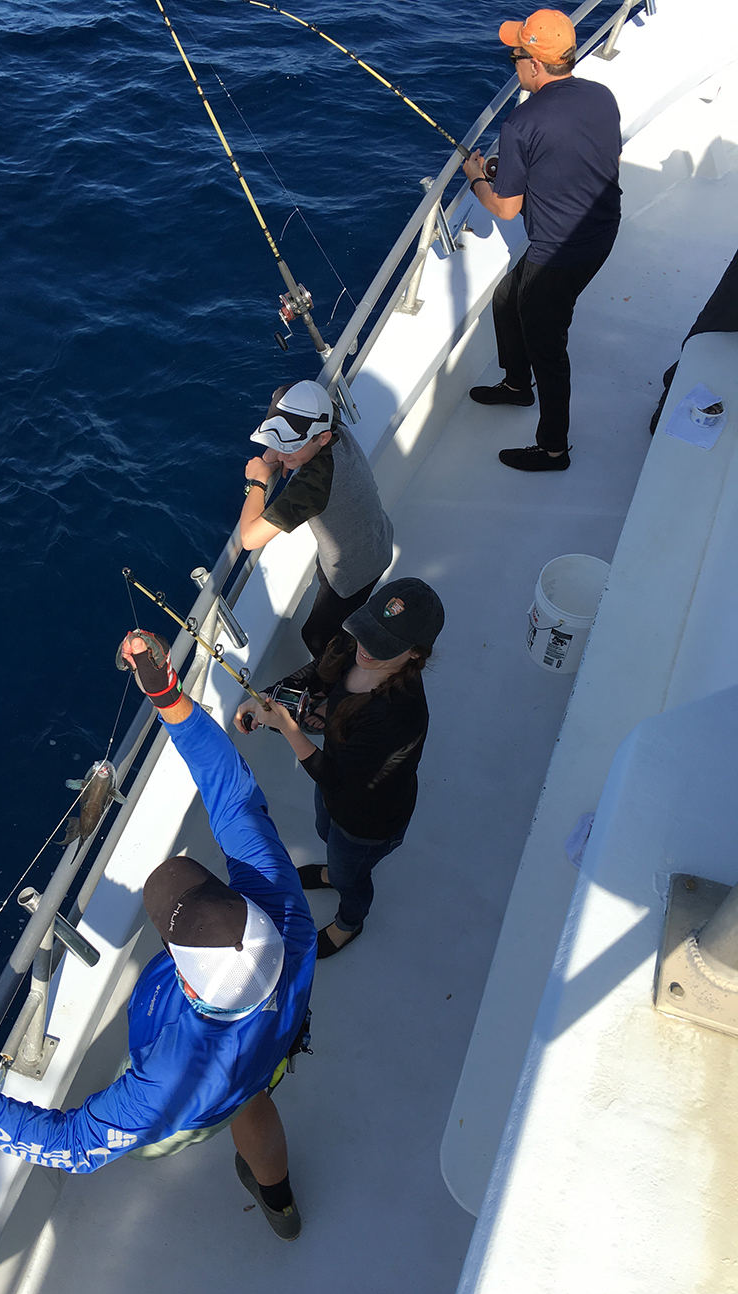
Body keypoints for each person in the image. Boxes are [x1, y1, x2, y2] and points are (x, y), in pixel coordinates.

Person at [0, 630, 316, 1241]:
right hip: (270, 1041)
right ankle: (279, 1203)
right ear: (251, 918)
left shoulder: (166, 1082)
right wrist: (169, 697)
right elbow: (234, 798)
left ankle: (272, 1193)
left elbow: (69, 1145)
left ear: (190, 986)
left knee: (227, 1107)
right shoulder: (289, 918)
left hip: (206, 1092)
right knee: (255, 1099)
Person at [234, 578, 444, 959]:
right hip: (334, 791)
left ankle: (350, 921)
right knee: (325, 830)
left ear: (415, 653)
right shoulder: (359, 643)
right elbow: (317, 671)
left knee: (353, 874)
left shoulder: (399, 716)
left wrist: (287, 727)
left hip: (369, 819)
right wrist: (269, 697)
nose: (365, 648)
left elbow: (338, 779)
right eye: (366, 632)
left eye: (381, 645)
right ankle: (333, 871)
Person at [464, 9, 621, 472]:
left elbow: (505, 208)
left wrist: (477, 178)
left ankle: (554, 449)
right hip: (602, 231)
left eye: (516, 55)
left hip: (557, 255)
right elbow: (581, 156)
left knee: (548, 349)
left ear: (534, 64)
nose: (514, 64)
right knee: (505, 297)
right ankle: (516, 385)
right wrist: (515, 173)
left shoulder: (520, 123)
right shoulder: (601, 96)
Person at [240, 379, 393, 657]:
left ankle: (337, 682)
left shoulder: (313, 485)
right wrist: (285, 455)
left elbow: (250, 538)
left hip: (354, 572)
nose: (284, 451)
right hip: (377, 538)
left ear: (320, 438)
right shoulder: (330, 424)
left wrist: (259, 480)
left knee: (315, 637)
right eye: (278, 439)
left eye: (292, 444)